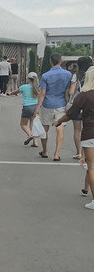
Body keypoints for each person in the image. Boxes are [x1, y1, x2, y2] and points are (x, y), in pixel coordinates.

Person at [54, 74, 94, 208]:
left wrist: (59, 121)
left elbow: (71, 113)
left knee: (92, 167)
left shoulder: (84, 95)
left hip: (90, 133)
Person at [35, 53, 75, 160]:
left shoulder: (45, 76)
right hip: (61, 104)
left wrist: (38, 108)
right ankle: (56, 154)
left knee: (45, 129)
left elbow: (42, 93)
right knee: (60, 129)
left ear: (50, 61)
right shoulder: (68, 74)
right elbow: (67, 92)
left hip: (47, 104)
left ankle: (45, 151)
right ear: (61, 61)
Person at [67, 56, 92, 160]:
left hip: (78, 105)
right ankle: (86, 153)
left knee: (77, 130)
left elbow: (71, 92)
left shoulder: (75, 76)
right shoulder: (92, 75)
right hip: (90, 105)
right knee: (88, 129)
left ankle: (79, 153)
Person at [19, 71, 41, 146]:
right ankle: (35, 142)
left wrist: (10, 93)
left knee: (23, 124)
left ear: (28, 79)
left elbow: (16, 92)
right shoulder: (38, 88)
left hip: (27, 107)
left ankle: (30, 135)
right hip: (35, 107)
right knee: (32, 124)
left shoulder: (24, 87)